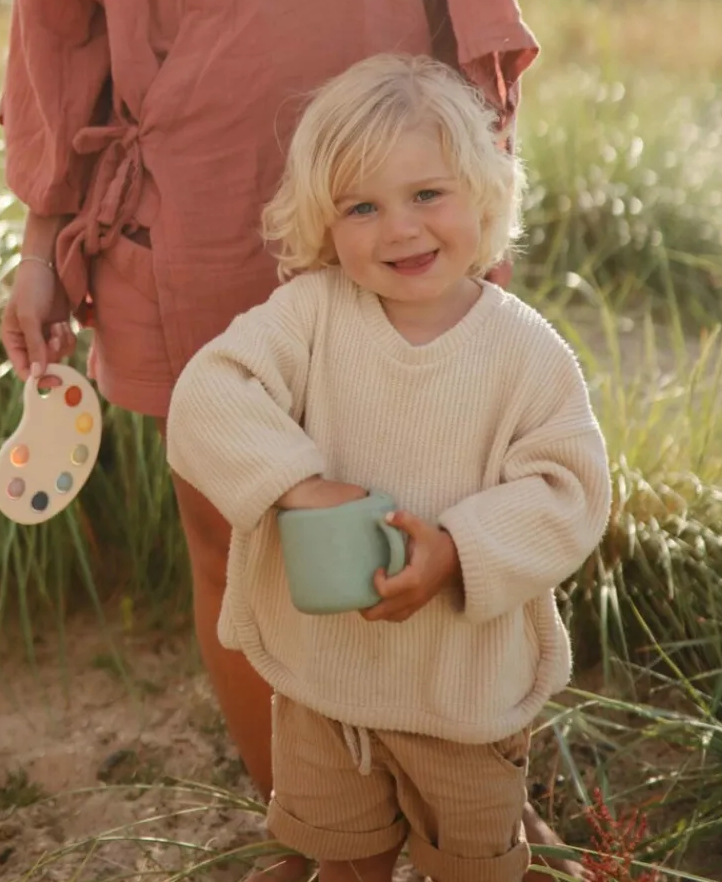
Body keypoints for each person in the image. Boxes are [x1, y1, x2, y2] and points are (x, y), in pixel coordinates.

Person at [0, 0, 580, 877]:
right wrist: (43, 244)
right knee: (239, 540)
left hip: (406, 211)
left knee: (433, 510)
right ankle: (317, 819)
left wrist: (468, 208)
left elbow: (474, 8)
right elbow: (55, 34)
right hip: (185, 218)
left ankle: (468, 783)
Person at [165, 54, 611, 881]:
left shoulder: (525, 353)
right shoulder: (310, 315)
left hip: (464, 695)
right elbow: (206, 394)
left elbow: (571, 493)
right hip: (327, 685)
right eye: (361, 206)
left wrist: (455, 550)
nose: (400, 229)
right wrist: (297, 480)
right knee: (344, 863)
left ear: (484, 194)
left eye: (427, 195)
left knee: (475, 869)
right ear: (322, 224)